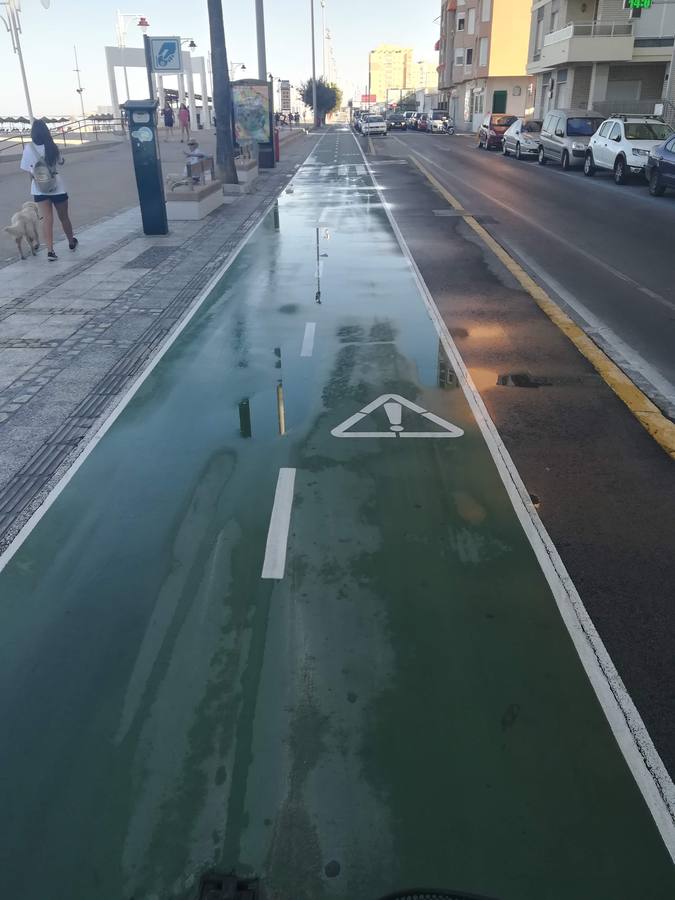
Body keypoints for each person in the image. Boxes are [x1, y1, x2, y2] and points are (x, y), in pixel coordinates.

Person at [20, 118, 77, 262]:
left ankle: (50, 251)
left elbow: (28, 170)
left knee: (47, 220)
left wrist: (35, 184)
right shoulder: (52, 146)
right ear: (46, 131)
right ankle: (71, 241)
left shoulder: (28, 148)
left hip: (39, 189)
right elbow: (61, 162)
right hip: (57, 187)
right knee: (64, 217)